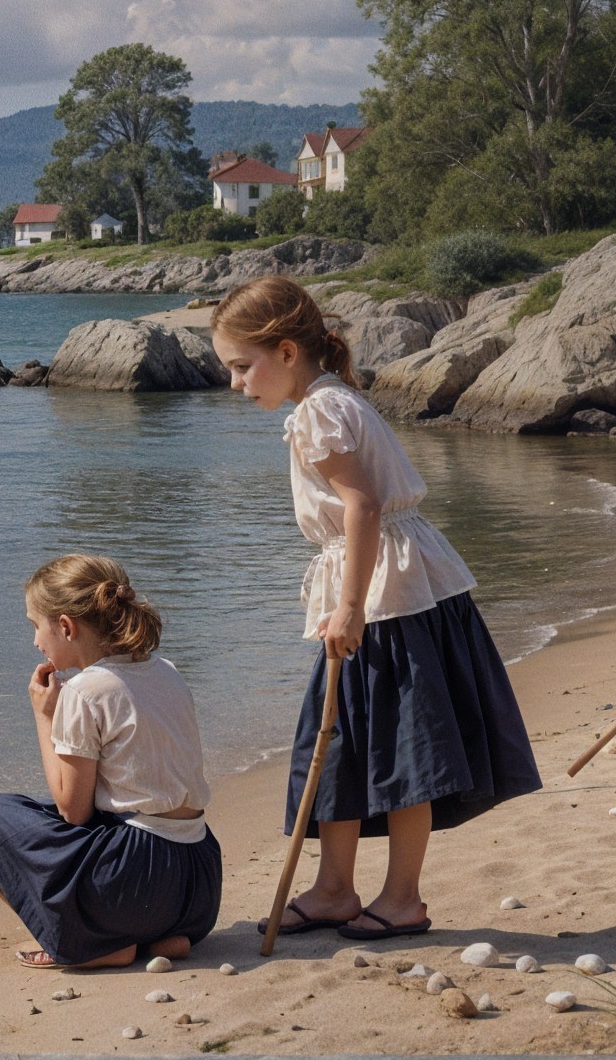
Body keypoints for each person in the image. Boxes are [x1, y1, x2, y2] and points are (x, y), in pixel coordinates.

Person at [213, 275, 539, 942]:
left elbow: (360, 507)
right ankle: (334, 889)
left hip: (389, 597)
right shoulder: (330, 400)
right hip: (389, 584)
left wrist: (351, 608)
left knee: (400, 748)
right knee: (339, 741)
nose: (237, 384)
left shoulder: (318, 412)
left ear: (284, 350)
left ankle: (401, 898)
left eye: (242, 367)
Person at [0, 554, 221, 971]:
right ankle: (158, 939)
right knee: (95, 816)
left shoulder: (85, 690)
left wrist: (44, 715)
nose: (35, 643)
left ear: (66, 626)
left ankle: (89, 942)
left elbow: (73, 810)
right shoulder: (167, 670)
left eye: (35, 627)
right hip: (198, 886)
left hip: (135, 882)